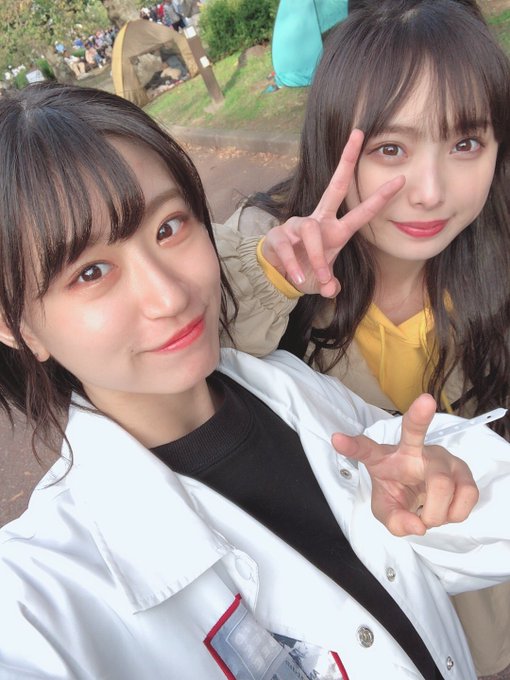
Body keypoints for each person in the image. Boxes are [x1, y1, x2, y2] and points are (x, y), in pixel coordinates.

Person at [0, 82, 507, 680]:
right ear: (15, 326)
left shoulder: (289, 386)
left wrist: (442, 492)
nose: (170, 295)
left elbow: (444, 543)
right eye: (91, 272)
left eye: (169, 227)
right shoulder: (38, 596)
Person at [218, 2, 510, 675]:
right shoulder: (265, 250)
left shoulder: (496, 256)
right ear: (332, 147)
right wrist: (272, 278)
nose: (430, 192)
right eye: (390, 149)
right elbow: (179, 336)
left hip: (486, 620)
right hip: (366, 636)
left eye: (466, 144)